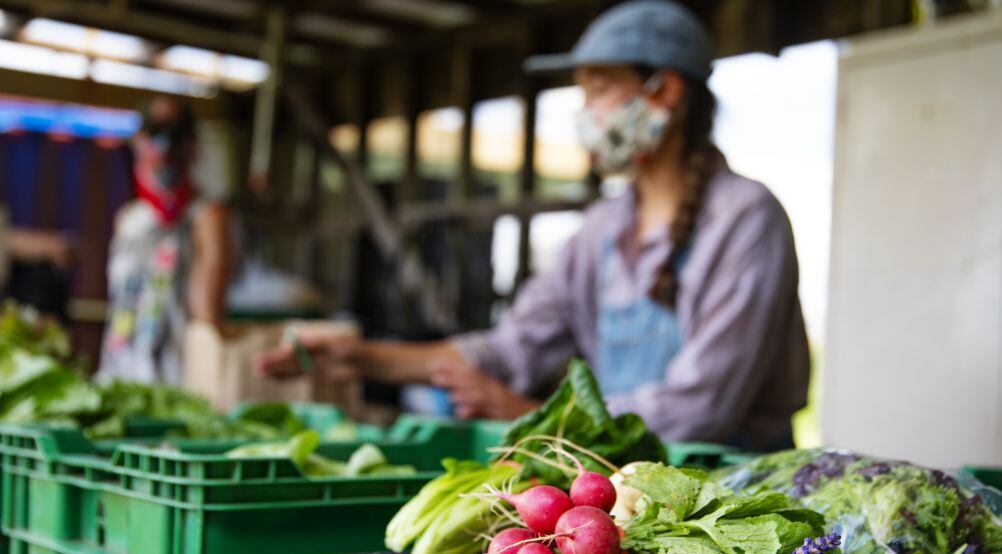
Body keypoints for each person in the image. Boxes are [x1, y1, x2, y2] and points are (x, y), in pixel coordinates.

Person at [255, 0, 809, 450]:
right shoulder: (603, 229)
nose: (584, 111)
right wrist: (362, 356)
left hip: (732, 500)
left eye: (598, 89)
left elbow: (700, 407)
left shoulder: (745, 218)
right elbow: (511, 348)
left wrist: (530, 416)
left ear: (662, 92)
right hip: (628, 481)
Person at [98, 95, 231, 384]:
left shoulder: (206, 218)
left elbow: (206, 318)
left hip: (174, 383)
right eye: (154, 133)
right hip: (119, 375)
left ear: (191, 145)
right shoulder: (129, 218)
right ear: (138, 140)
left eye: (175, 134)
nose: (163, 148)